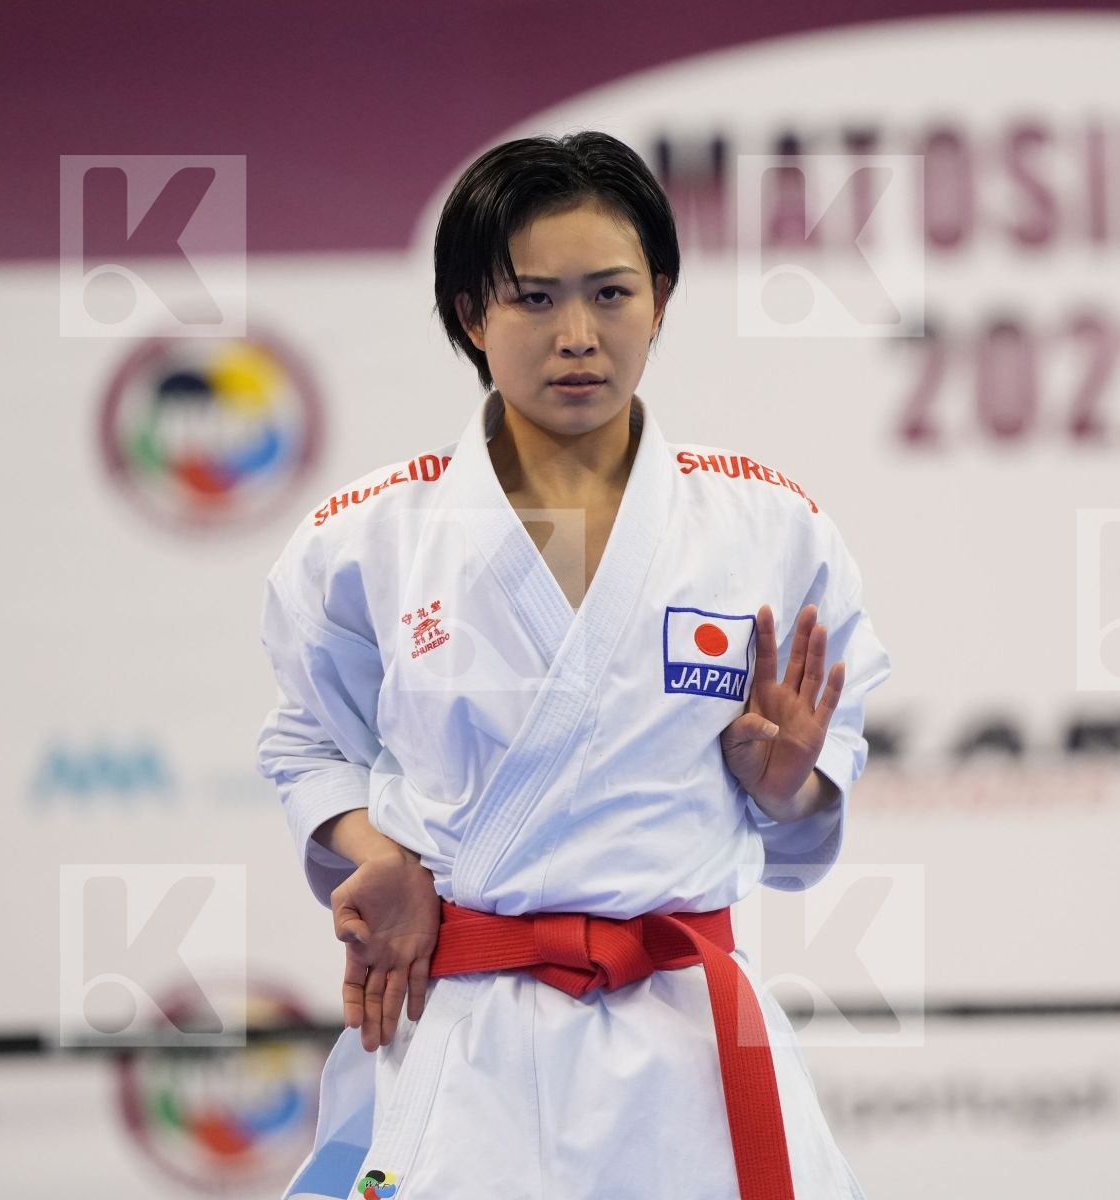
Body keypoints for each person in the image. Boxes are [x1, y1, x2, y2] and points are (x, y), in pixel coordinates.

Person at [256, 131, 891, 1199]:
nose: (578, 337)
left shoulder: (768, 527)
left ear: (662, 301)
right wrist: (382, 857)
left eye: (611, 293)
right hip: (468, 1028)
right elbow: (307, 741)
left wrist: (791, 789)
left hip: (688, 1036)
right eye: (535, 300)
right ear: (471, 315)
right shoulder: (368, 537)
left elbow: (822, 791)